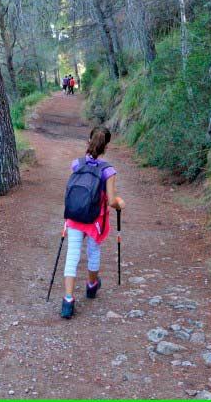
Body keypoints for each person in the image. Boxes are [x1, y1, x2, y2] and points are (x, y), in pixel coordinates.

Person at [61, 126, 125, 319]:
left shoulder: (76, 164)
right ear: (106, 146)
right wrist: (120, 203)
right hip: (95, 219)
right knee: (93, 252)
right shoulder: (108, 170)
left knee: (72, 256)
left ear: (88, 141)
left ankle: (68, 300)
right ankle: (91, 286)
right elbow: (113, 200)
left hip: (74, 216)